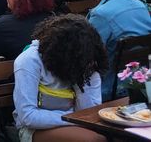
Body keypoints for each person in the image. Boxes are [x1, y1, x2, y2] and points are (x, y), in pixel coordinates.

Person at [13, 14, 107, 142]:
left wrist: (78, 79)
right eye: (79, 59)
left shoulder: (83, 63)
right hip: (35, 129)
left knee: (117, 136)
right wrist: (74, 119)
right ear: (64, 54)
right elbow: (28, 116)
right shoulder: (29, 61)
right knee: (94, 140)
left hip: (75, 123)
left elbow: (88, 113)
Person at [84, 0, 151, 99]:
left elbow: (85, 57)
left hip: (111, 92)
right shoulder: (140, 6)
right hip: (142, 86)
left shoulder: (100, 15)